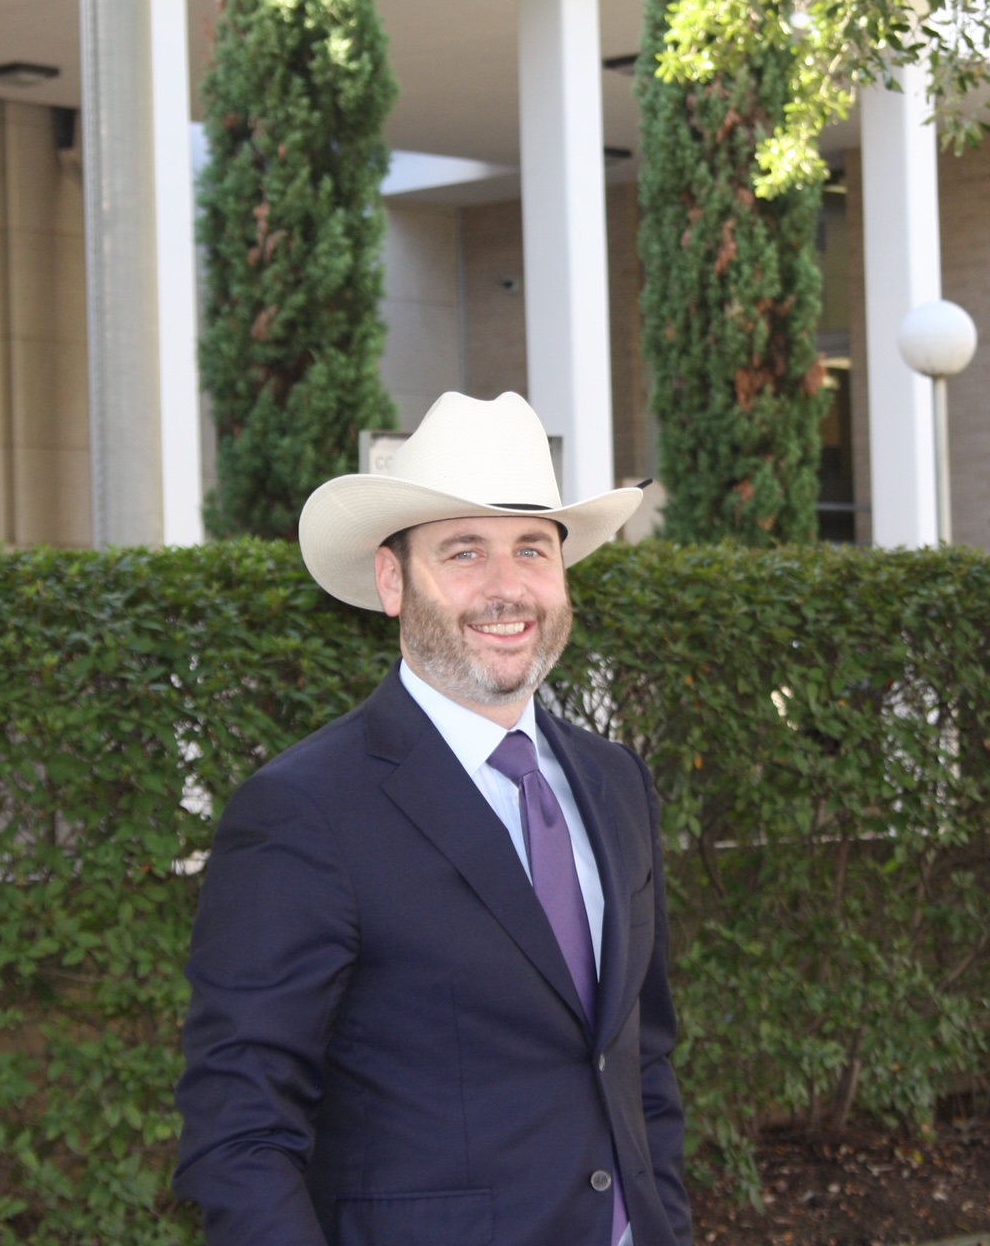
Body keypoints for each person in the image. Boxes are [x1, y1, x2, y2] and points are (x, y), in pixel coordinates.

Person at [174, 391, 692, 1246]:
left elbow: (646, 1064)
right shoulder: (303, 812)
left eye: (532, 549)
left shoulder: (615, 783)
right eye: (463, 552)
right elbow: (240, 1130)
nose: (506, 587)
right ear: (392, 581)